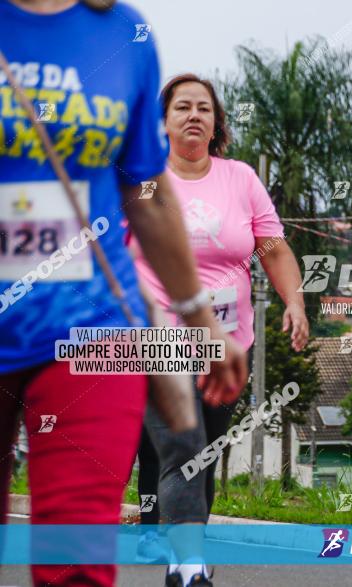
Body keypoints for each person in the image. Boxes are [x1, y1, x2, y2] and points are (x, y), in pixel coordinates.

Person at [0, 2, 248, 587]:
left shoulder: (125, 35)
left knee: (79, 562)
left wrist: (199, 320)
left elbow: (146, 190)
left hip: (91, 325)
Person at [129, 73, 309, 587]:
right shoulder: (141, 178)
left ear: (216, 123)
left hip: (229, 343)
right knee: (181, 445)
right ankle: (188, 567)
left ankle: (187, 556)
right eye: (181, 107)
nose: (193, 115)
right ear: (163, 122)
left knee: (205, 449)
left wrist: (293, 301)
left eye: (203, 108)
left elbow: (272, 248)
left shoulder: (241, 179)